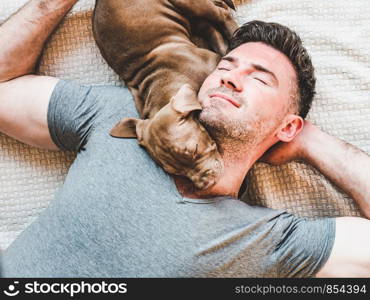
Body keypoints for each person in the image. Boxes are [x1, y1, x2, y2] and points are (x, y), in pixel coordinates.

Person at [0, 0, 369, 277]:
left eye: (259, 78)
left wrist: (312, 143)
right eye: (225, 66)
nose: (229, 77)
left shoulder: (269, 240)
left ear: (286, 126)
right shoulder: (124, 116)